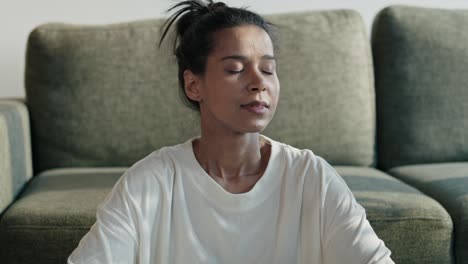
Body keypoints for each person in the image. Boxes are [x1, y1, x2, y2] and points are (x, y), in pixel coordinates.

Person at [68, 0, 395, 263]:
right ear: (193, 84)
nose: (259, 83)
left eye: (268, 69)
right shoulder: (149, 184)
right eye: (235, 69)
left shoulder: (311, 178)